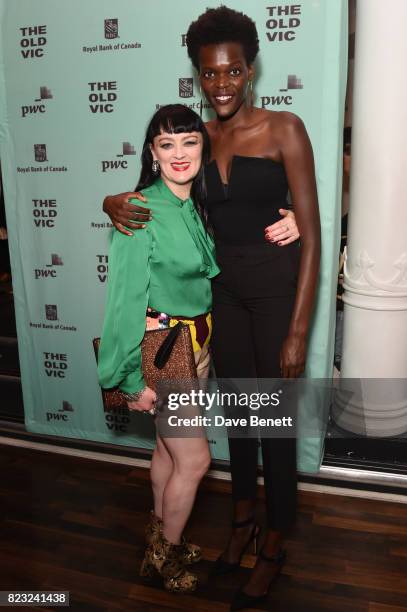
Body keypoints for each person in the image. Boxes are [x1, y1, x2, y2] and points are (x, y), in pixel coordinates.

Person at [103, 7, 321, 610]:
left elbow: (317, 230)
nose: (221, 84)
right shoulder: (196, 136)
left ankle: (274, 541)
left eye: (232, 71)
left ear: (250, 69)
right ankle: (242, 522)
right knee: (242, 424)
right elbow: (159, 188)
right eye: (209, 73)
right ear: (199, 75)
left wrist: (299, 327)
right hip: (218, 297)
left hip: (276, 292)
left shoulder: (285, 128)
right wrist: (109, 200)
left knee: (273, 423)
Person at [97, 104, 220, 593]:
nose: (180, 154)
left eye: (189, 141)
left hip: (197, 347)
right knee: (195, 461)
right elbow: (123, 302)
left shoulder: (197, 202)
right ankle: (163, 555)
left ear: (203, 147)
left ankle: (157, 532)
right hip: (165, 353)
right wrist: (128, 379)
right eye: (167, 144)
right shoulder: (140, 211)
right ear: (152, 153)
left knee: (168, 454)